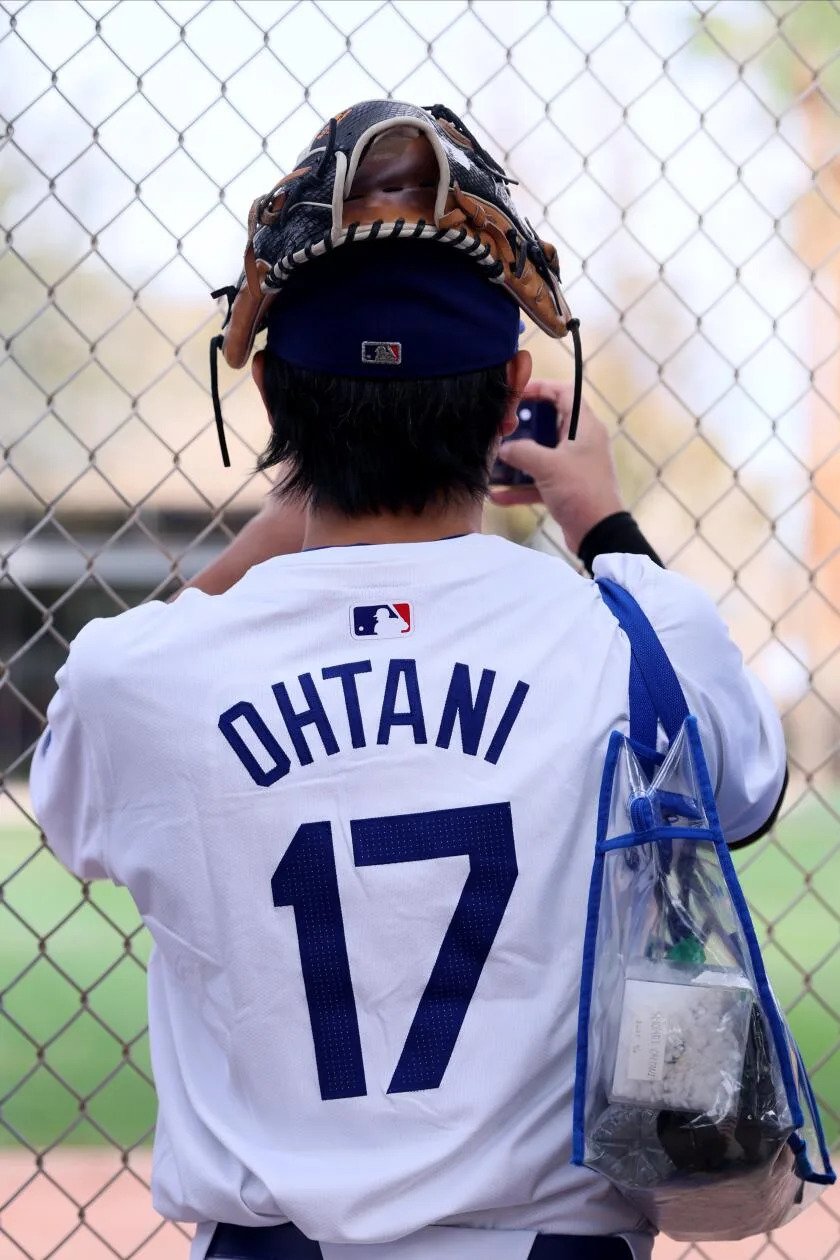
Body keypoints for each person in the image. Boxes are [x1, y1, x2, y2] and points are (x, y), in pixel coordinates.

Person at [30, 225, 786, 1260]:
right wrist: (602, 523)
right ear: (511, 391)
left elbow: (82, 793)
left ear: (269, 399)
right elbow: (744, 791)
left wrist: (296, 501)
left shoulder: (141, 678)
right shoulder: (638, 638)